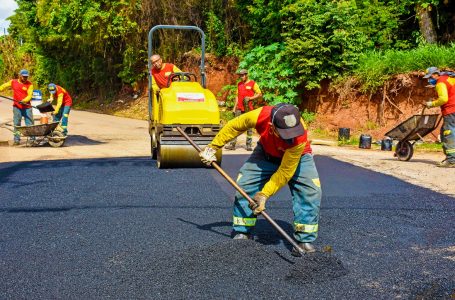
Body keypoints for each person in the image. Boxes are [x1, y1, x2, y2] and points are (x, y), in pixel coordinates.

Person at [200, 103, 322, 256]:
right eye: (285, 134)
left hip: (299, 157)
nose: (290, 138)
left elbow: (284, 172)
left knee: (310, 191)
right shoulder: (259, 116)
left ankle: (304, 240)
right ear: (272, 127)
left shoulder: (298, 136)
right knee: (246, 184)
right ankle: (243, 233)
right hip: (266, 153)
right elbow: (234, 127)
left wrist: (264, 194)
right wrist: (213, 147)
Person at [423, 67, 455, 168]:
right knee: (444, 132)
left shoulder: (440, 82)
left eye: (430, 76)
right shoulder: (449, 78)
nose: (429, 79)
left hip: (451, 110)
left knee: (448, 134)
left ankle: (451, 160)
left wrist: (430, 104)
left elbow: (444, 99)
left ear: (436, 74)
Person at [225, 69, 262, 151]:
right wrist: (234, 108)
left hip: (248, 109)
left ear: (246, 75)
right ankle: (232, 144)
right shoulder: (239, 84)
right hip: (239, 108)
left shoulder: (253, 83)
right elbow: (237, 97)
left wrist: (250, 98)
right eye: (240, 76)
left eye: (242, 75)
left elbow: (259, 94)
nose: (241, 77)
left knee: (249, 127)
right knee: (236, 126)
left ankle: (248, 145)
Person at [0, 69, 34, 145]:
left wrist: (24, 101)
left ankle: (32, 139)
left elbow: (29, 95)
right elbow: (3, 86)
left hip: (27, 108)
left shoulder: (30, 84)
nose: (25, 78)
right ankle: (17, 140)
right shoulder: (13, 82)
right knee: (17, 124)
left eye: (26, 77)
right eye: (24, 76)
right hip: (17, 107)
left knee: (30, 124)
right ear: (20, 76)